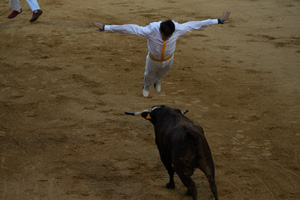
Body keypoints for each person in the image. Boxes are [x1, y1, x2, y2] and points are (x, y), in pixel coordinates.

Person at [92, 12, 230, 97]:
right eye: (164, 36)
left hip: (169, 58)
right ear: (160, 31)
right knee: (148, 74)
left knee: (164, 72)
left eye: (168, 36)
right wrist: (106, 27)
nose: (165, 39)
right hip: (152, 59)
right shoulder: (150, 30)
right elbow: (129, 29)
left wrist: (217, 20)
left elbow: (197, 24)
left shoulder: (178, 29)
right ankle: (146, 86)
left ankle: (158, 80)